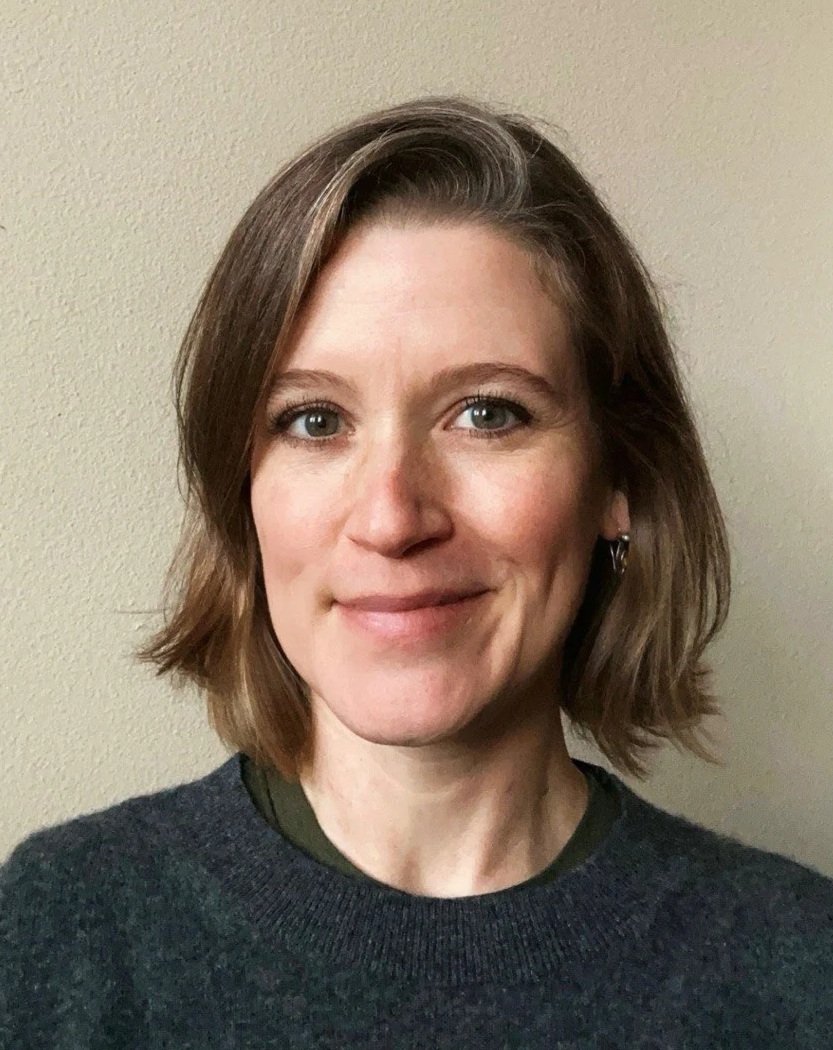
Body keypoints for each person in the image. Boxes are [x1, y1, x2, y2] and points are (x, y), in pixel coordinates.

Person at [2, 95, 831, 1048]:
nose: (392, 518)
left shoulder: (798, 970)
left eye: (486, 414)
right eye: (314, 420)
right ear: (244, 495)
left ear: (618, 483)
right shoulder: (56, 934)